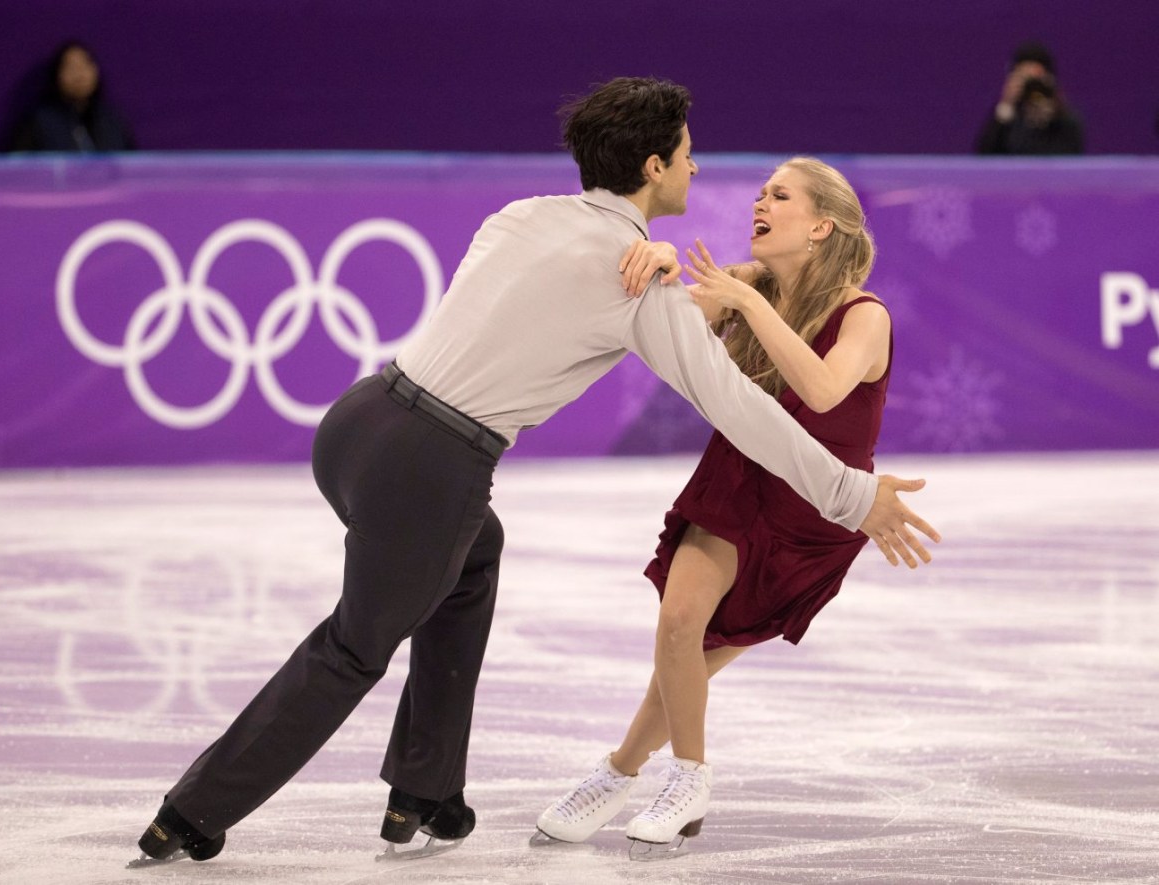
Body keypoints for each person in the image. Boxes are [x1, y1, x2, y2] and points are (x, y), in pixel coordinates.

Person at [133, 78, 939, 866]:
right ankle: (193, 811)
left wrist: (656, 260)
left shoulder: (519, 216)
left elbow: (577, 281)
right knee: (355, 645)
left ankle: (425, 787)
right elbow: (739, 405)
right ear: (654, 167)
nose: (698, 170)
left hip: (358, 420)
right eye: (688, 155)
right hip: (433, 463)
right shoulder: (637, 284)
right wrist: (849, 491)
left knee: (473, 556)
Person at [535, 157, 900, 855]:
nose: (761, 203)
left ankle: (618, 770)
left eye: (781, 195)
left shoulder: (865, 315)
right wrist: (662, 256)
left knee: (693, 657)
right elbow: (661, 310)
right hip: (738, 481)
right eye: (760, 193)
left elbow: (823, 391)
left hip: (813, 512)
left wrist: (751, 303)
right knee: (679, 625)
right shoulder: (747, 283)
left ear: (821, 225)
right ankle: (687, 778)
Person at [10, 41, 136, 152]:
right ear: (57, 75)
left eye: (85, 65)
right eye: (71, 67)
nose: (79, 75)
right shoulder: (39, 123)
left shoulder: (112, 121)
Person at [975, 41, 1083, 155]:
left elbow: (1070, 161)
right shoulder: (1006, 117)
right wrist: (1005, 106)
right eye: (1025, 78)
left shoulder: (1066, 120)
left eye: (1036, 80)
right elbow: (985, 158)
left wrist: (1049, 119)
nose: (1032, 87)